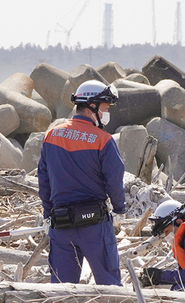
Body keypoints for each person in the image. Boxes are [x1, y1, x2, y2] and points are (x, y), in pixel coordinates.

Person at [38, 80, 125, 285]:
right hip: (94, 224)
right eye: (105, 107)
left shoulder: (51, 135)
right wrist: (120, 209)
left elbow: (44, 180)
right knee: (110, 286)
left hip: (61, 224)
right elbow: (114, 179)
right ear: (91, 106)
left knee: (61, 288)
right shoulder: (102, 139)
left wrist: (47, 213)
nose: (107, 112)